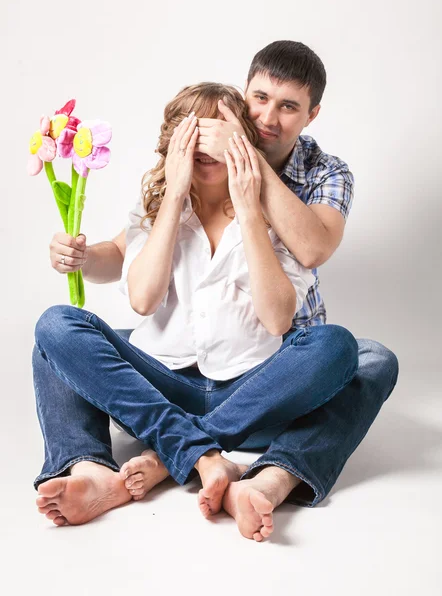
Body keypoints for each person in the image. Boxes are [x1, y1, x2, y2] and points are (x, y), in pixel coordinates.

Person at [39, 40, 399, 538]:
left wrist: (249, 198)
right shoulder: (164, 204)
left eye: (289, 106)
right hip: (172, 377)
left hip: (267, 379)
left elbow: (307, 261)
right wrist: (88, 250)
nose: (269, 118)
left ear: (310, 114)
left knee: (353, 351)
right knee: (56, 332)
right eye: (260, 100)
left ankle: (184, 455)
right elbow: (130, 271)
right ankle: (99, 468)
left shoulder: (299, 199)